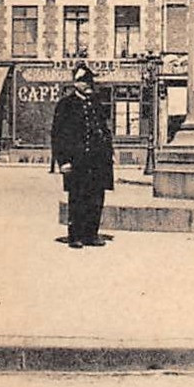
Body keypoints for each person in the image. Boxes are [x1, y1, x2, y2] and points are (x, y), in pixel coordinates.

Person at [49, 64, 114, 249]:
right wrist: (63, 161)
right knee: (77, 198)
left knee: (96, 198)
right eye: (84, 81)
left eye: (89, 81)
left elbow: (104, 130)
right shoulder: (66, 105)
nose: (88, 85)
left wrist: (109, 153)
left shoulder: (96, 103)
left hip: (97, 161)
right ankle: (75, 235)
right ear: (75, 83)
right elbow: (58, 135)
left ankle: (91, 234)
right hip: (77, 161)